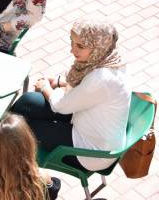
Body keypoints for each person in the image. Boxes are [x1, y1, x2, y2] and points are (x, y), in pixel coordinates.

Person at [11, 19, 131, 171]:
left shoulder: (101, 78)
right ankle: (0, 140)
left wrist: (45, 87)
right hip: (89, 124)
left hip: (92, 152)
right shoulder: (111, 58)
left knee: (22, 129)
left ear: (98, 46)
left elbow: (61, 106)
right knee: (28, 102)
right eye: (72, 43)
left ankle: (0, 152)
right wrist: (61, 82)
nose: (72, 51)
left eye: (80, 46)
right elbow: (86, 91)